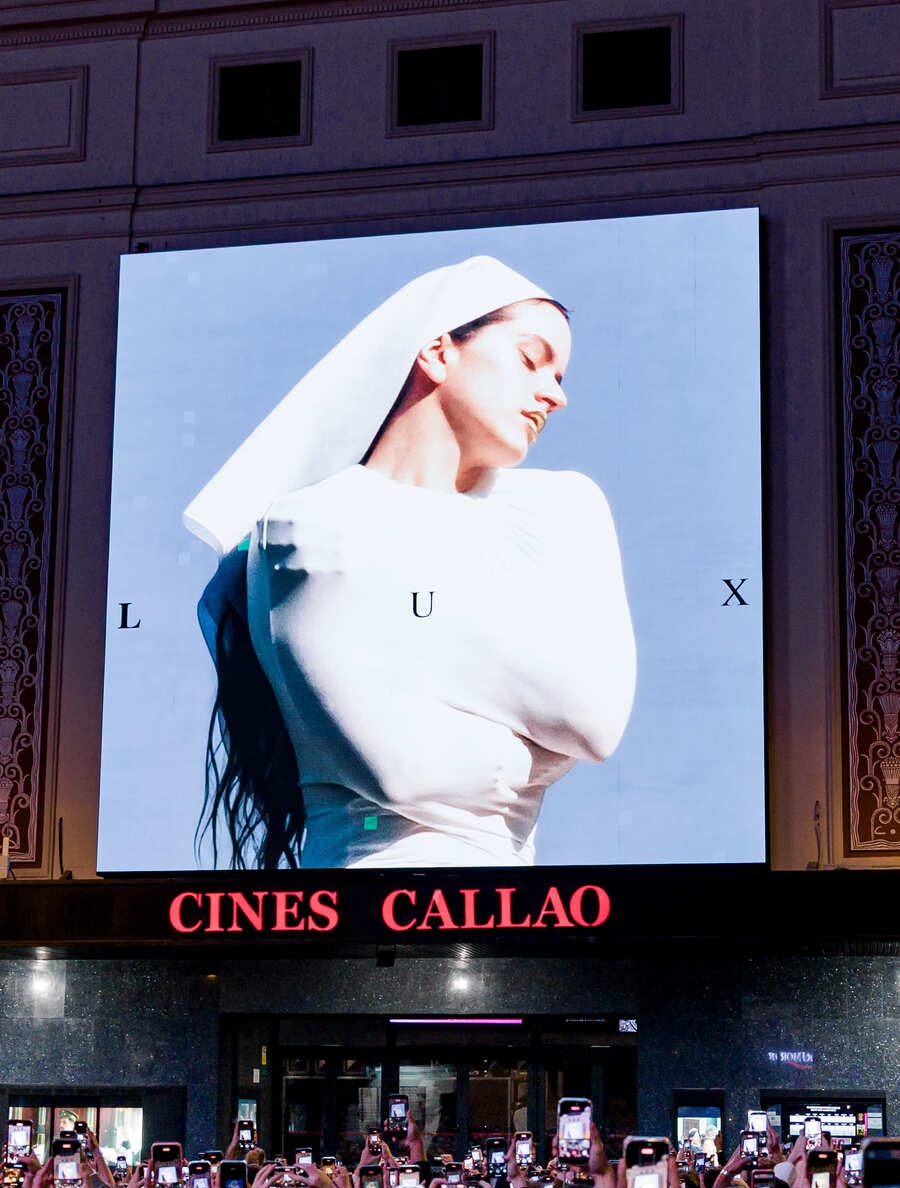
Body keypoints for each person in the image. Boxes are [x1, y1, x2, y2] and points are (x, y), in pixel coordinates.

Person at [185, 254, 636, 870]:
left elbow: (593, 720)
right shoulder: (307, 525)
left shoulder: (558, 507)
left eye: (559, 376)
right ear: (438, 352)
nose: (556, 395)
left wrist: (404, 639)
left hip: (518, 909)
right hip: (356, 904)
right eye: (531, 359)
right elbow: (403, 772)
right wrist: (535, 743)